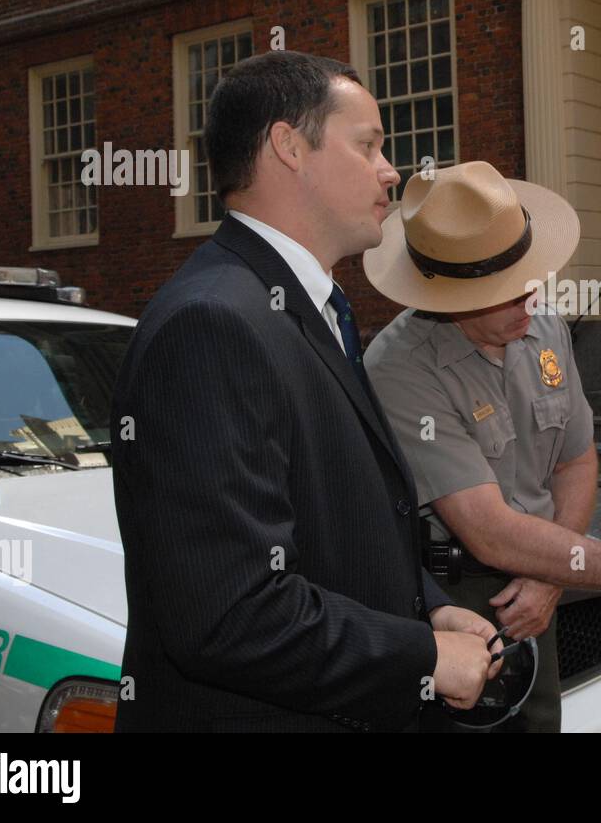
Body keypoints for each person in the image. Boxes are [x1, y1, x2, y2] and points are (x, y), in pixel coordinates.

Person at [111, 51, 500, 732]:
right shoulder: (211, 324)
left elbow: (341, 518)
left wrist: (427, 603)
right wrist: (423, 655)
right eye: (369, 145)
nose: (391, 170)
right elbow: (230, 613)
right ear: (289, 147)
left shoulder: (313, 306)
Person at [363, 160, 601, 731]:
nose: (532, 295)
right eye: (509, 288)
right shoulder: (400, 368)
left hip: (546, 584)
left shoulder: (544, 329)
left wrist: (554, 574)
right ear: (451, 294)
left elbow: (576, 459)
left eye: (531, 274)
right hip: (458, 604)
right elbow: (488, 530)